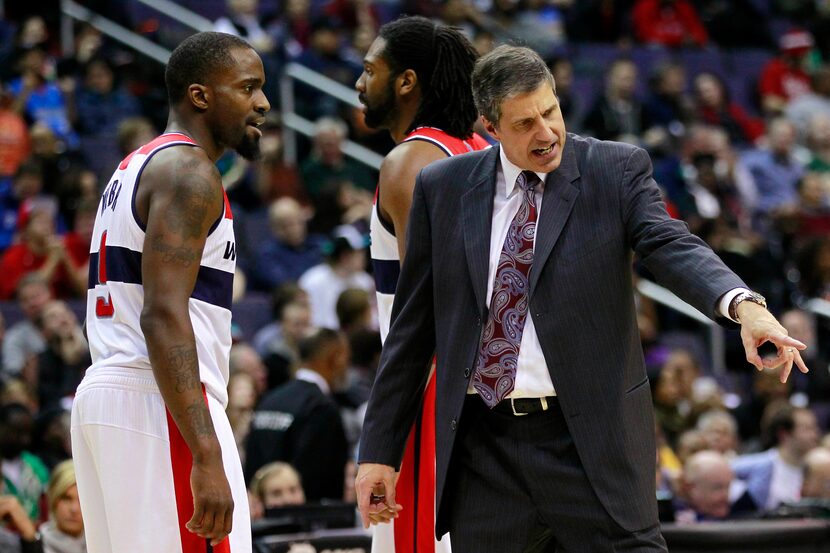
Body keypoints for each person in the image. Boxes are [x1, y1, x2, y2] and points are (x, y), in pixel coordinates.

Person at [355, 45, 810, 552]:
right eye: (524, 123)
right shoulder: (443, 186)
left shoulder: (613, 170)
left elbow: (670, 243)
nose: (546, 133)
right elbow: (413, 330)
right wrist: (379, 450)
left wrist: (743, 305)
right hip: (486, 451)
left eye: (550, 111)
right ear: (490, 124)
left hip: (590, 443)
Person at [70, 31, 270, 552]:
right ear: (200, 95)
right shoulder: (189, 173)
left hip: (111, 396)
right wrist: (206, 452)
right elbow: (161, 316)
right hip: (157, 402)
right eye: (247, 88)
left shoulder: (135, 165)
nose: (264, 103)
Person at [354, 14, 488, 553]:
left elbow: (428, 311)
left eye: (369, 70)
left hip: (433, 392)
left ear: (406, 81)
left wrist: (384, 437)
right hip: (489, 389)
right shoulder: (480, 149)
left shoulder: (411, 162)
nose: (360, 83)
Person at [244, 328, 350, 502]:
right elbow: (317, 484)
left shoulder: (270, 399)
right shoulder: (320, 408)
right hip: (304, 523)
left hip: (258, 521)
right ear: (335, 358)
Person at [40, 460, 85, 553]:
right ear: (53, 497)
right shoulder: (34, 546)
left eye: (82, 502)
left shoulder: (103, 545)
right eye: (66, 498)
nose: (74, 509)